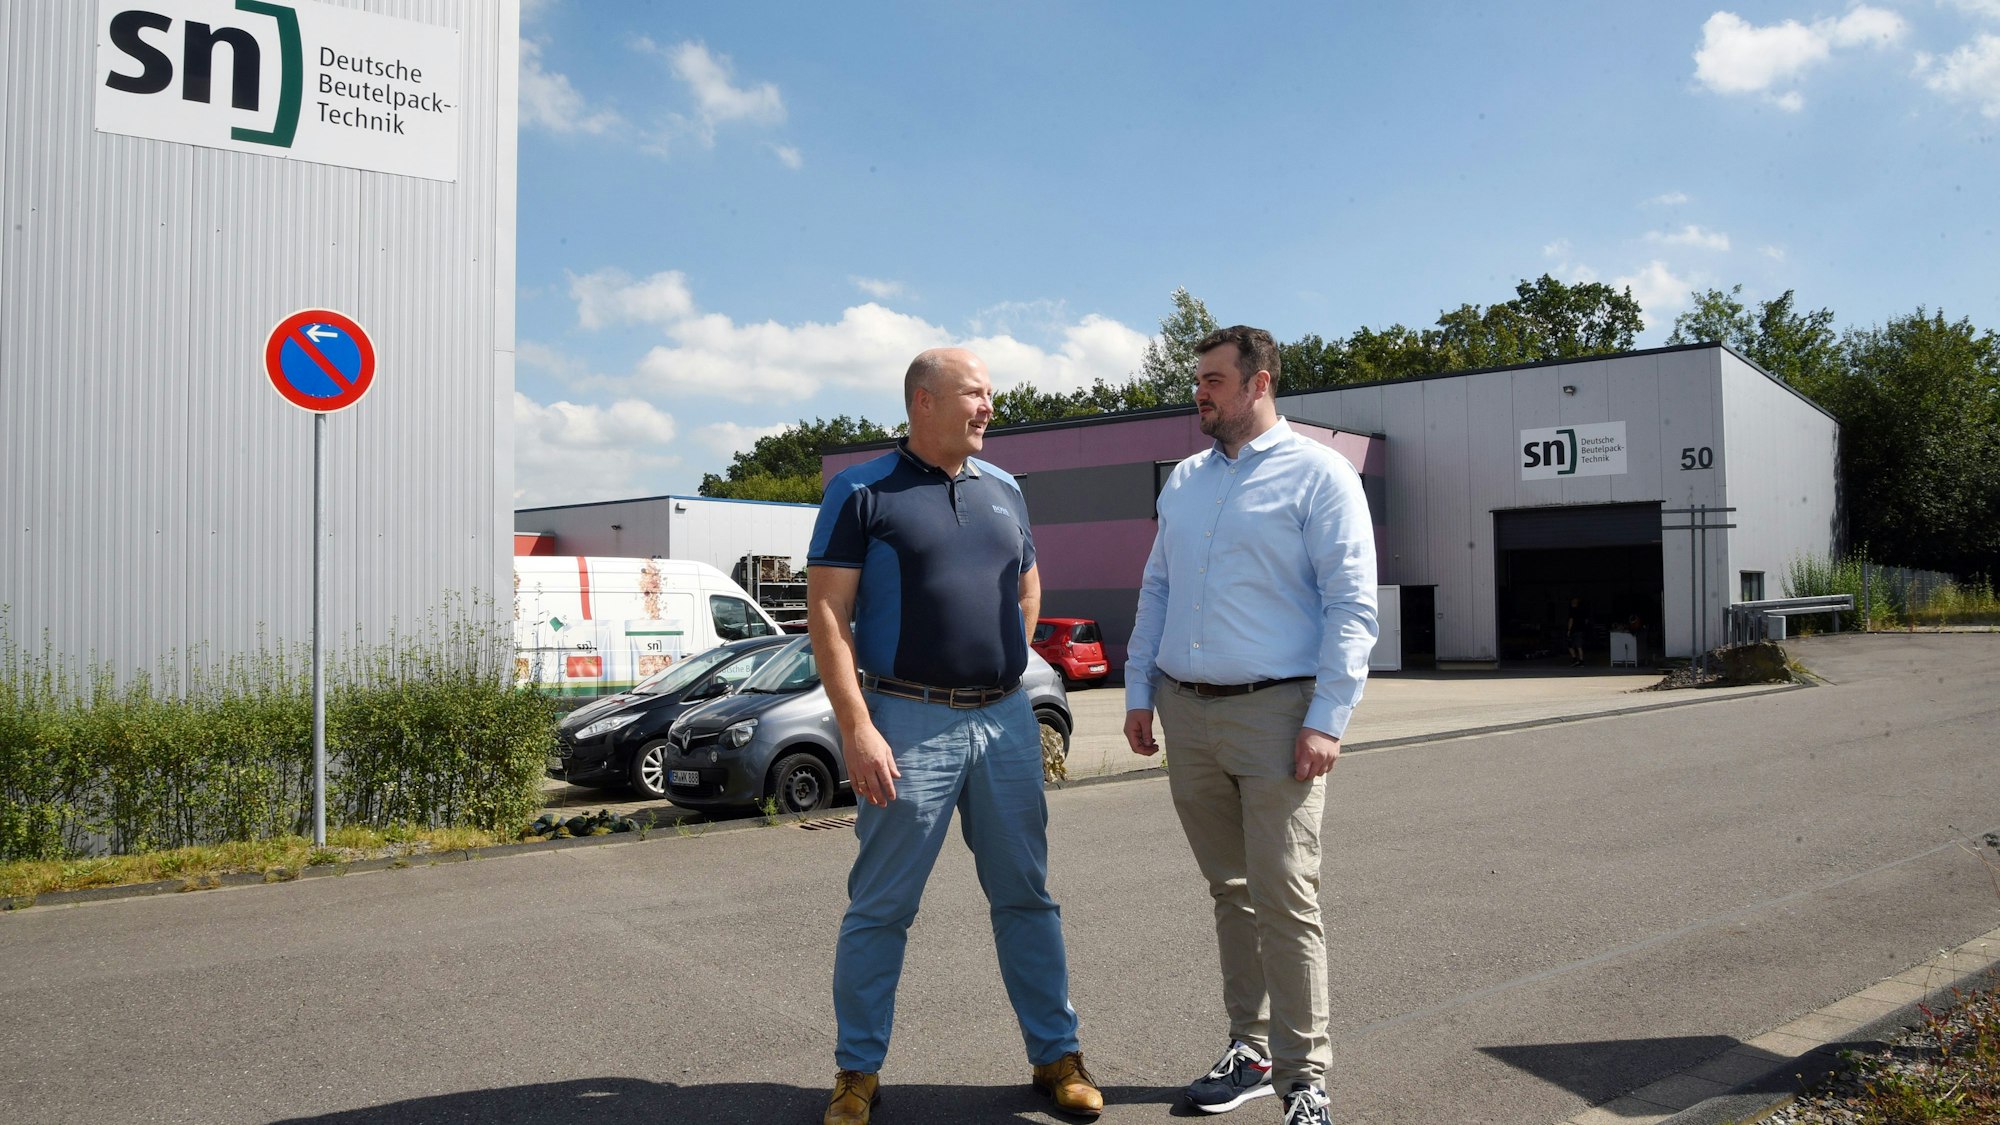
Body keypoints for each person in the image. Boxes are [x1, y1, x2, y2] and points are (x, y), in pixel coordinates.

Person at [807, 347, 1101, 1124]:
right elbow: (828, 614)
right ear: (924, 401)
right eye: (974, 393)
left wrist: (998, 665)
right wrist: (858, 726)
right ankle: (857, 1071)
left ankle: (1058, 1054)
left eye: (990, 394)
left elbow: (1028, 586)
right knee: (881, 905)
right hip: (906, 721)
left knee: (1027, 895)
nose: (988, 407)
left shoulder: (1005, 488)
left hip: (1005, 719)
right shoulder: (860, 491)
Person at [1123, 325, 1378, 1125]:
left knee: (1285, 894)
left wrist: (1328, 717)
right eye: (1198, 379)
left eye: (1213, 380)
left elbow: (1351, 604)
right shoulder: (1185, 482)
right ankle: (1253, 1048)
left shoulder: (1321, 475)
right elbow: (1157, 588)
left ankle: (1306, 1081)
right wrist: (1138, 689)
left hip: (1279, 713)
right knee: (1230, 890)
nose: (1198, 392)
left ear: (1259, 382)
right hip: (1186, 709)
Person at [1566, 597, 1585, 667]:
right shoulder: (1581, 611)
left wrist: (1569, 630)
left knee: (1570, 645)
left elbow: (1571, 620)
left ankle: (1575, 659)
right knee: (1579, 646)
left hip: (1574, 630)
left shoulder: (1572, 611)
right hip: (1580, 630)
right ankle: (1581, 661)